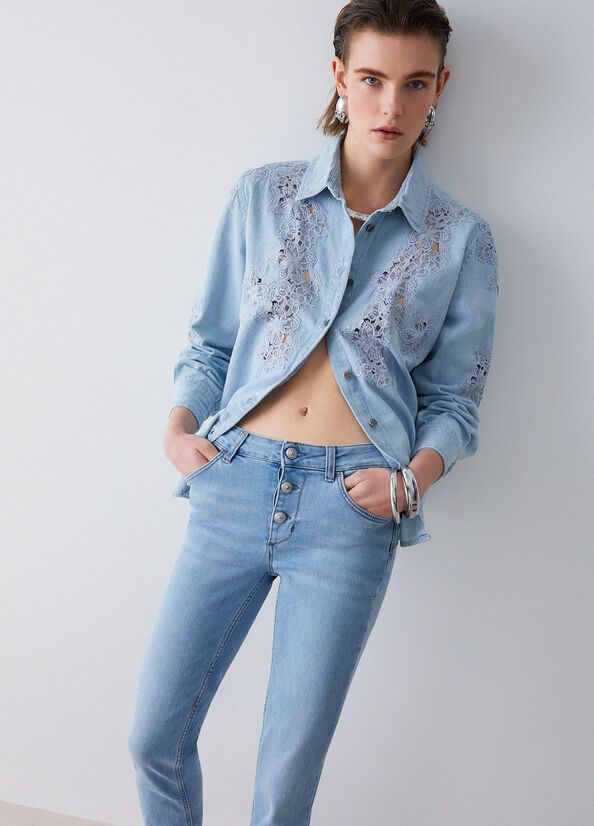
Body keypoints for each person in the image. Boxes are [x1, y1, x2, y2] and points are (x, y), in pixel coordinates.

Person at [128, 1, 499, 823]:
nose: (391, 105)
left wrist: (410, 483)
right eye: (371, 79)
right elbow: (211, 343)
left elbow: (456, 399)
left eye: (414, 83)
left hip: (350, 509)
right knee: (153, 737)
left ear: (440, 87)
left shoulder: (459, 239)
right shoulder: (262, 197)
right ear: (339, 77)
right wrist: (179, 429)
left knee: (285, 775)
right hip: (233, 481)